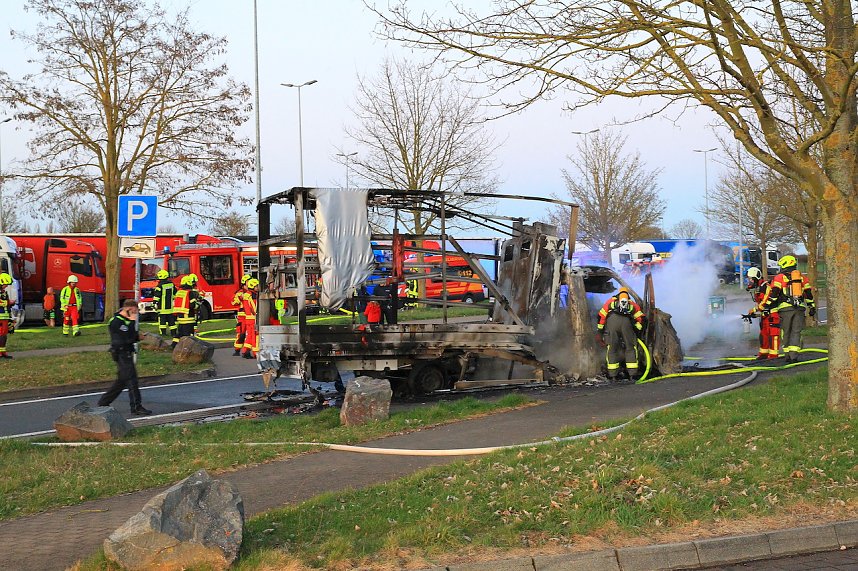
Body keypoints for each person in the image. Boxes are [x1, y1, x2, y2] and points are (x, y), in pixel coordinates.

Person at [97, 299, 151, 415]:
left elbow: (131, 336)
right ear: (129, 310)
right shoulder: (116, 321)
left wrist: (138, 337)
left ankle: (104, 402)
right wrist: (132, 322)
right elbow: (127, 338)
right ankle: (136, 406)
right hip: (121, 353)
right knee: (132, 380)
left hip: (126, 352)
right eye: (134, 312)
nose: (135, 315)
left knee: (122, 381)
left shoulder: (125, 321)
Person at [762, 255, 815, 363]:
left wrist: (766, 306)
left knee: (785, 332)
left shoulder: (779, 277)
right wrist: (811, 306)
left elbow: (774, 294)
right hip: (799, 309)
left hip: (785, 309)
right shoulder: (802, 278)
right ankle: (794, 356)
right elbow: (808, 294)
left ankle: (787, 355)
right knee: (796, 332)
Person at [596, 286, 645, 380]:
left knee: (612, 349)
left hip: (612, 323)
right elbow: (641, 318)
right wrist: (637, 330)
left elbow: (601, 316)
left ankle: (613, 375)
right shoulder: (632, 304)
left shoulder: (611, 301)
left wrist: (600, 331)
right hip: (626, 324)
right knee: (630, 348)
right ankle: (632, 374)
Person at [745, 267, 780, 360]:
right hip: (765, 315)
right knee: (763, 334)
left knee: (773, 334)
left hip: (772, 314)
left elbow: (765, 301)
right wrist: (756, 312)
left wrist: (754, 309)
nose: (750, 281)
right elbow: (760, 303)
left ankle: (773, 355)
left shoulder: (766, 286)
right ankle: (763, 353)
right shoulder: (758, 288)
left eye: (751, 279)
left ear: (756, 278)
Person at [172, 275, 200, 346]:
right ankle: (187, 348)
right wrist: (198, 304)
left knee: (180, 333)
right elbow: (193, 305)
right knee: (188, 335)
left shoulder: (179, 292)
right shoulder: (190, 293)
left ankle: (173, 345)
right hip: (188, 318)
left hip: (180, 317)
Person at [152, 269, 177, 345]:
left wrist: (154, 303)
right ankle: (173, 333)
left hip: (162, 308)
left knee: (162, 321)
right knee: (172, 321)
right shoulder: (171, 284)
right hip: (170, 307)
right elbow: (175, 293)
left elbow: (157, 296)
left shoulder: (159, 286)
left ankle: (163, 333)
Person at [232, 274, 251, 356]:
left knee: (250, 334)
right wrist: (240, 298)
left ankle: (246, 351)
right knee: (241, 333)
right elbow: (233, 302)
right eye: (248, 281)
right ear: (244, 283)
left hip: (250, 316)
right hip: (242, 316)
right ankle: (237, 349)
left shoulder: (252, 292)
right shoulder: (239, 293)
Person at [240, 278, 259, 358]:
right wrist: (256, 314)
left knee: (249, 336)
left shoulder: (246, 295)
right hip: (253, 319)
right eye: (257, 286)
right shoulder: (252, 296)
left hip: (248, 319)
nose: (258, 287)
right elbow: (253, 307)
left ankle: (245, 351)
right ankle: (255, 353)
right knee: (255, 336)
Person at [0, 273, 14, 359]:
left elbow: (7, 303)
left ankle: (3, 352)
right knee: (1, 334)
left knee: (4, 335)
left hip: (5, 317)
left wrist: (10, 303)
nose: (6, 286)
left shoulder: (4, 293)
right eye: (5, 284)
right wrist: (8, 303)